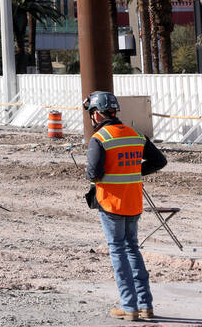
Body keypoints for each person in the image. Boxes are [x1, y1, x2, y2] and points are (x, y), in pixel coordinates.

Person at [83, 90, 167, 321]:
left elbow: (94, 173)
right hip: (133, 202)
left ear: (97, 115)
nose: (91, 118)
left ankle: (128, 306)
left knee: (118, 251)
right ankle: (145, 305)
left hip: (111, 205)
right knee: (132, 249)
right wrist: (132, 170)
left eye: (91, 113)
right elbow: (160, 161)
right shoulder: (135, 134)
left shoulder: (99, 139)